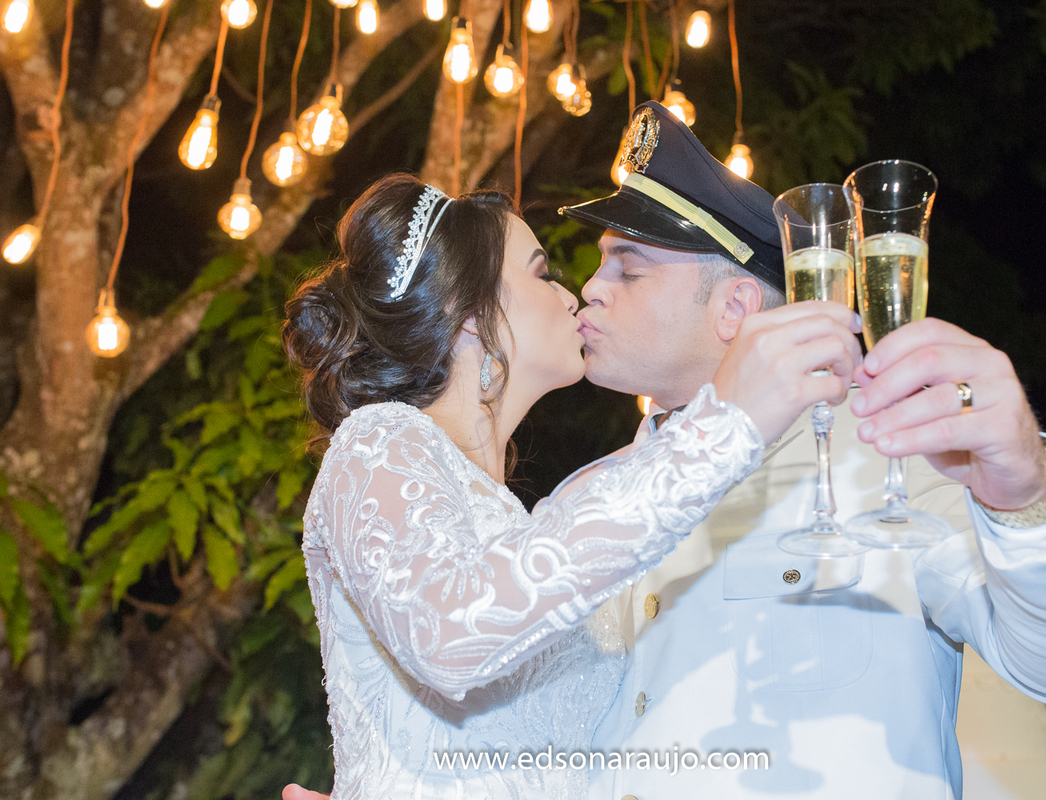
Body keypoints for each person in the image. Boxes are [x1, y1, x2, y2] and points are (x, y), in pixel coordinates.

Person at [556, 102, 1046, 800]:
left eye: (629, 267)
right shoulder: (583, 498)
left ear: (735, 307)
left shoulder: (891, 452)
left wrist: (1025, 493)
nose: (589, 287)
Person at [280, 172, 862, 800]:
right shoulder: (381, 442)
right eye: (542, 272)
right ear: (471, 315)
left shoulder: (525, 527)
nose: (574, 294)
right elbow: (451, 631)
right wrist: (725, 429)